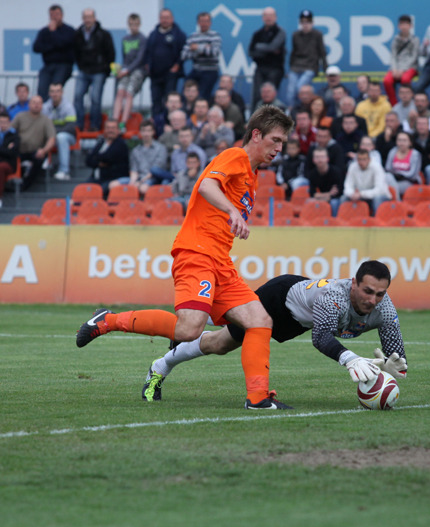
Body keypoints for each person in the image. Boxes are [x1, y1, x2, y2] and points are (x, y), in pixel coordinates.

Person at [76, 105, 296, 411]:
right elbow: (206, 184)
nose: (279, 147)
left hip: (220, 260)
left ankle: (258, 398)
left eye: (282, 142)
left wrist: (233, 217)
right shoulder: (236, 156)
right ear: (256, 135)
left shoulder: (253, 175)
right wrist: (232, 211)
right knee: (189, 329)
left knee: (260, 320)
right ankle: (108, 320)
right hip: (197, 252)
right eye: (275, 139)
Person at [141, 261, 408, 402]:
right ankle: (160, 366)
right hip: (278, 299)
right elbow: (321, 338)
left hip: (295, 322)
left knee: (217, 334)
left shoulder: (384, 310)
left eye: (380, 294)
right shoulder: (334, 297)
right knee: (219, 343)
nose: (372, 300)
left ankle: (186, 328)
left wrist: (391, 368)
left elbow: (397, 355)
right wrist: (350, 359)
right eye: (367, 291)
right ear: (353, 283)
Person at [72, 9, 115, 132]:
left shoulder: (103, 34)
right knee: (78, 96)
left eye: (90, 17)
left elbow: (110, 53)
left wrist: (105, 69)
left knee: (95, 98)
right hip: (84, 70)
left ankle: (95, 125)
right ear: (82, 18)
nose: (88, 20)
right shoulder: (78, 34)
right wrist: (81, 66)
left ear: (95, 18)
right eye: (85, 17)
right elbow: (75, 52)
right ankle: (78, 125)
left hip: (99, 71)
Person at [146, 9, 187, 119]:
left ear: (172, 19)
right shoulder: (153, 34)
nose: (165, 20)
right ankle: (156, 124)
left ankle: (168, 121)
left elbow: (184, 52)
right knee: (155, 101)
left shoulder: (179, 34)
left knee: (169, 101)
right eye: (162, 18)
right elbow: (148, 51)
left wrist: (177, 64)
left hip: (170, 74)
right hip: (155, 74)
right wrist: (148, 65)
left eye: (167, 17)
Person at [111, 119, 168, 194]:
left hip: (153, 179)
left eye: (148, 131)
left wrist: (140, 182)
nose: (146, 133)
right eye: (143, 131)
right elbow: (134, 171)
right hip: (139, 178)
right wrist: (132, 183)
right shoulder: (135, 150)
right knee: (113, 185)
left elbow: (156, 171)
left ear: (153, 132)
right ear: (140, 132)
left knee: (143, 188)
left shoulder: (161, 148)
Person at [10, 95, 55, 189]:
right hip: (19, 150)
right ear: (29, 104)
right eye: (34, 102)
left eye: (39, 103)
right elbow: (10, 131)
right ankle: (10, 184)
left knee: (39, 159)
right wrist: (10, 143)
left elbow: (52, 138)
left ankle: (26, 184)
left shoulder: (46, 120)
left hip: (36, 151)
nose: (36, 105)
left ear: (42, 105)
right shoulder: (20, 116)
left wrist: (44, 150)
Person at [33, 4, 76, 100]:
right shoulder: (44, 31)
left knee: (55, 90)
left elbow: (63, 44)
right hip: (48, 65)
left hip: (64, 65)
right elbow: (36, 48)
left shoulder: (69, 30)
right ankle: (44, 113)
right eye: (52, 14)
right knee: (42, 91)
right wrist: (53, 46)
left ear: (62, 15)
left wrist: (53, 33)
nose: (54, 17)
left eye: (57, 14)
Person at [112, 14, 147, 129]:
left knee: (129, 93)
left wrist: (127, 71)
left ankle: (123, 122)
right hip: (126, 70)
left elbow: (140, 59)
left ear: (139, 24)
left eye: (136, 24)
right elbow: (124, 57)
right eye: (131, 24)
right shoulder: (125, 39)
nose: (133, 27)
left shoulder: (142, 39)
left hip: (137, 70)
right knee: (120, 91)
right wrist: (120, 70)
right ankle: (115, 120)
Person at [249, 7, 287, 111]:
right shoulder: (257, 34)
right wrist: (268, 51)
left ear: (275, 17)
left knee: (270, 95)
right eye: (266, 15)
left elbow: (273, 47)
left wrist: (259, 47)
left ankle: (273, 120)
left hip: (275, 68)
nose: (268, 18)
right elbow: (251, 52)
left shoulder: (280, 32)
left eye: (271, 15)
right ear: (262, 18)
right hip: (260, 68)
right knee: (257, 95)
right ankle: (253, 121)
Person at [287, 10, 327, 109]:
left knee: (300, 87)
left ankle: (302, 108)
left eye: (308, 22)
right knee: (290, 91)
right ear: (300, 23)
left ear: (312, 23)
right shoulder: (295, 35)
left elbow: (322, 52)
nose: (305, 25)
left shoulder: (317, 34)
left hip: (310, 66)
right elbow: (294, 52)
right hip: (296, 66)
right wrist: (290, 67)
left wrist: (325, 68)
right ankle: (291, 111)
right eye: (303, 22)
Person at [181, 12, 222, 102]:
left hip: (210, 71)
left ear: (210, 23)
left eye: (206, 21)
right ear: (198, 22)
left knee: (203, 97)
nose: (204, 23)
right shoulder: (193, 36)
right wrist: (205, 48)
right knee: (185, 93)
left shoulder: (215, 35)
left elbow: (214, 52)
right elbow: (184, 55)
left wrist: (197, 48)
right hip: (196, 70)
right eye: (202, 21)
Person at [42, 83, 77, 181]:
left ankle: (64, 171)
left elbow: (71, 127)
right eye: (52, 91)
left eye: (57, 91)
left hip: (68, 137)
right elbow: (41, 125)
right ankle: (43, 161)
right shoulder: (45, 107)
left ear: (62, 93)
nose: (55, 94)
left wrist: (53, 133)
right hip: (50, 136)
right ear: (49, 93)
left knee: (61, 137)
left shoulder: (68, 106)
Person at [85, 120, 130, 194]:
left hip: (112, 179)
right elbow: (88, 160)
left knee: (96, 192)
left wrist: (96, 159)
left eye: (113, 128)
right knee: (81, 190)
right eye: (108, 128)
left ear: (118, 130)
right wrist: (99, 162)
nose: (110, 130)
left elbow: (108, 158)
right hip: (95, 178)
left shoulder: (121, 144)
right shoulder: (101, 142)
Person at [384, 15, 420, 106]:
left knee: (405, 79)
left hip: (410, 67)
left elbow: (414, 57)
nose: (404, 27)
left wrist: (403, 69)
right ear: (398, 26)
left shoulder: (415, 40)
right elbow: (393, 56)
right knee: (387, 80)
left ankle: (409, 103)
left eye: (406, 24)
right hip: (396, 68)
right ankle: (394, 104)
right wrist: (395, 69)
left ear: (411, 26)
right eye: (402, 25)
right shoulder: (395, 40)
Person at [343, 149, 391, 214]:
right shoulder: (352, 166)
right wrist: (352, 194)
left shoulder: (377, 167)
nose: (361, 162)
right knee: (344, 198)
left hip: (380, 196)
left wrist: (361, 194)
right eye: (359, 159)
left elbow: (379, 190)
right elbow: (347, 185)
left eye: (364, 159)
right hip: (361, 196)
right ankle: (342, 222)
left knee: (377, 199)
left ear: (369, 159)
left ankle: (377, 222)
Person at [307, 146, 344, 214]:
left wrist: (320, 196)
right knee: (308, 201)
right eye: (317, 157)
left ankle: (334, 222)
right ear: (313, 160)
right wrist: (328, 194)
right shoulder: (312, 174)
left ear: (327, 158)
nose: (320, 160)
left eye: (322, 157)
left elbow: (337, 193)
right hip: (323, 197)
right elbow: (312, 194)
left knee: (334, 203)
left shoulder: (336, 172)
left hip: (335, 199)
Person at [384, 131, 422, 196]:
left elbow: (412, 175)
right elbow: (387, 169)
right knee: (387, 177)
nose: (401, 143)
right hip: (393, 180)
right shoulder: (392, 151)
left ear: (410, 143)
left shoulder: (415, 154)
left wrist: (398, 174)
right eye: (399, 140)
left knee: (390, 188)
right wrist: (395, 175)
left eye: (404, 140)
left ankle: (397, 202)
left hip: (409, 182)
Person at [0, 112, 20, 208]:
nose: (3, 124)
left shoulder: (14, 136)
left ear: (9, 123)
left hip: (9, 165)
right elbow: (7, 151)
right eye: (1, 122)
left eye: (5, 122)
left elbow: (12, 153)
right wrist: (5, 148)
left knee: (1, 167)